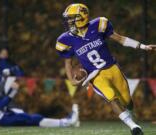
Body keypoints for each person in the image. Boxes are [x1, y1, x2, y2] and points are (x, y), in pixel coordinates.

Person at [55, 3, 156, 135]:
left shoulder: (98, 25)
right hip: (95, 75)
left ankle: (131, 114)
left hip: (112, 68)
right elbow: (68, 62)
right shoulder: (66, 39)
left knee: (127, 100)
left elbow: (120, 39)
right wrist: (71, 80)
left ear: (82, 18)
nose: (68, 22)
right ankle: (134, 127)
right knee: (111, 97)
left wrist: (142, 46)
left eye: (71, 18)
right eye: (68, 18)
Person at [0, 60, 79, 127]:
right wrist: (13, 91)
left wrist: (10, 70)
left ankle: (66, 121)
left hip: (3, 112)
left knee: (26, 115)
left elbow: (1, 74)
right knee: (33, 119)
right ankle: (67, 122)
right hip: (1, 118)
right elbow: (0, 104)